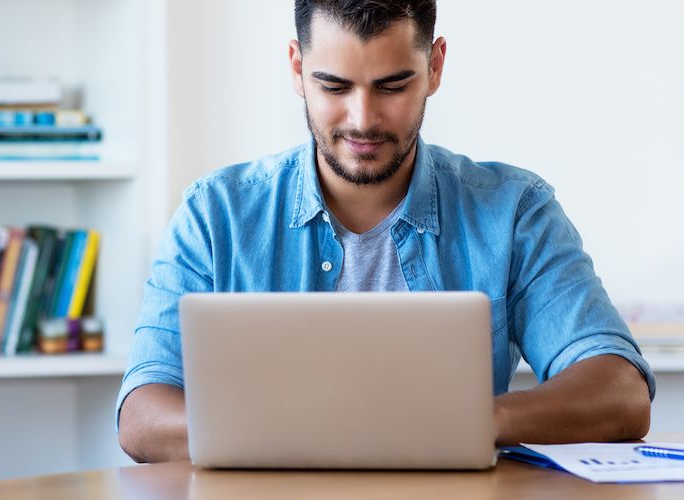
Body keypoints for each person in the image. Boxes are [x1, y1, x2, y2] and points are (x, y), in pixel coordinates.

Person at [116, 0, 654, 464]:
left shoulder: (514, 210)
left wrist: (465, 421)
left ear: (436, 65)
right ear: (296, 67)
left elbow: (620, 393)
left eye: (392, 85)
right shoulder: (216, 214)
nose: (363, 119)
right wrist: (314, 433)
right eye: (334, 85)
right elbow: (141, 415)